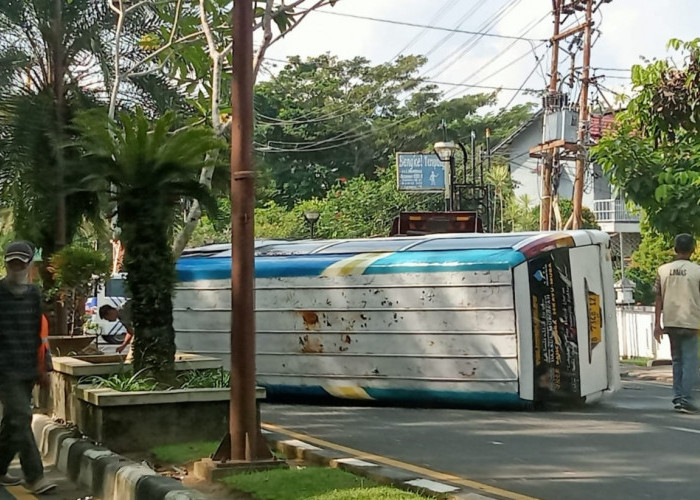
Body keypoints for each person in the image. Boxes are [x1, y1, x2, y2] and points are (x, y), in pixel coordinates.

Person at [0, 241, 56, 494]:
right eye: (12, 261)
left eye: (21, 261)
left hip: (28, 367)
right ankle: (35, 476)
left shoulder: (34, 294)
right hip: (5, 369)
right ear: (6, 264)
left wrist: (43, 367)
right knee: (22, 417)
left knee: (15, 421)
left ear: (29, 264)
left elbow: (40, 334)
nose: (16, 266)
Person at [654, 233, 700, 414]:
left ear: (675, 249)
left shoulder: (663, 270)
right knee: (690, 362)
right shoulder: (697, 271)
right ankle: (686, 399)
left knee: (677, 361)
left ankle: (678, 397)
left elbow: (658, 298)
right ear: (693, 249)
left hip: (671, 322)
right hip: (692, 322)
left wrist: (657, 324)